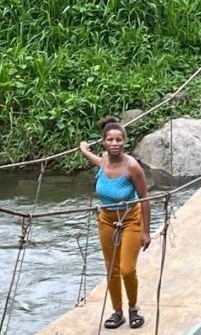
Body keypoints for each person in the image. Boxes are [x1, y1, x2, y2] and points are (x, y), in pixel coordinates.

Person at [80, 117, 151, 330]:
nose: (114, 143)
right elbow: (100, 162)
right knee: (111, 269)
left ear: (124, 142)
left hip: (130, 220)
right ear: (104, 142)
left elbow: (145, 198)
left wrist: (146, 232)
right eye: (110, 139)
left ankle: (133, 308)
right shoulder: (103, 160)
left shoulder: (132, 167)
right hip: (106, 220)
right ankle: (117, 312)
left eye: (118, 139)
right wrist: (84, 151)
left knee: (127, 269)